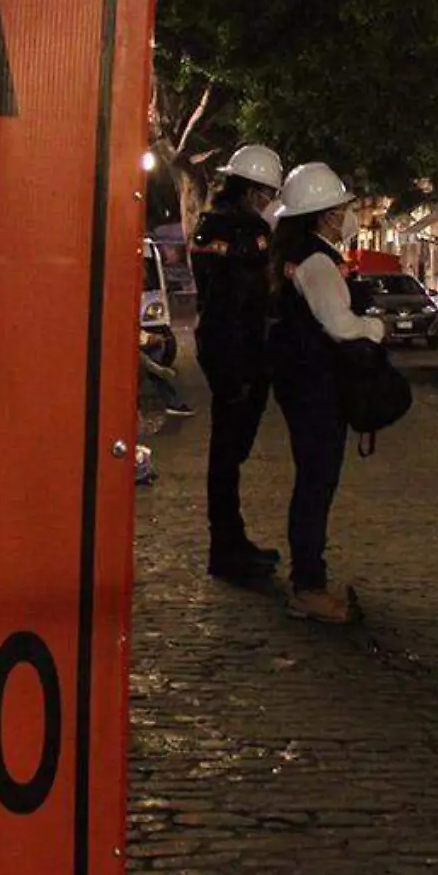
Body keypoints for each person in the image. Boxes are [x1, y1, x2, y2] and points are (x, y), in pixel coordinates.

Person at [266, 162, 383, 624]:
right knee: (316, 485)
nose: (345, 215)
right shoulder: (316, 261)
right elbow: (339, 324)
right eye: (338, 208)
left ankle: (309, 579)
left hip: (300, 382)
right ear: (322, 214)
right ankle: (308, 585)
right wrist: (375, 328)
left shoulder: (294, 252)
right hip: (316, 386)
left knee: (314, 483)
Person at [190, 144, 284, 583]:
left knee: (227, 457)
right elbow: (241, 306)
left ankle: (230, 541)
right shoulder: (242, 232)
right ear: (250, 188)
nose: (268, 200)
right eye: (265, 191)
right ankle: (226, 549)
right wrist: (241, 372)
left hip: (226, 352)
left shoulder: (213, 227)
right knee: (227, 457)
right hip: (236, 355)